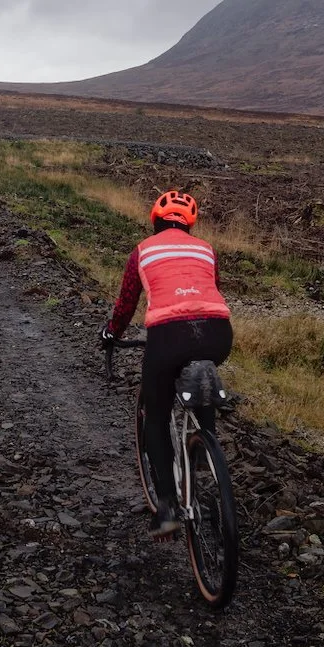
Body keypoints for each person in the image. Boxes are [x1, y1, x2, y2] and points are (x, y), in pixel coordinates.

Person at [99, 190, 233, 538]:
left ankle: (169, 507)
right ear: (190, 223)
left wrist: (112, 334)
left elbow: (126, 304)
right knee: (201, 372)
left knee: (155, 417)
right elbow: (209, 290)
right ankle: (205, 442)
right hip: (218, 333)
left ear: (154, 219)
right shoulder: (206, 249)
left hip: (169, 336)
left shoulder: (142, 251)